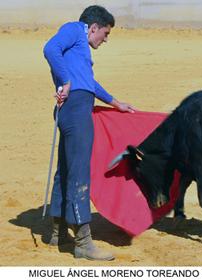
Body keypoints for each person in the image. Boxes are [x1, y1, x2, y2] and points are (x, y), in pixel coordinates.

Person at [43, 5, 134, 261]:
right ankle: (83, 242)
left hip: (74, 106)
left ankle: (57, 232)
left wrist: (116, 103)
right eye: (105, 33)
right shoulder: (74, 29)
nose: (105, 39)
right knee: (80, 170)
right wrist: (65, 80)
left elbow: (89, 83)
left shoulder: (78, 49)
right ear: (93, 27)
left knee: (67, 168)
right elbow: (50, 49)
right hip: (76, 108)